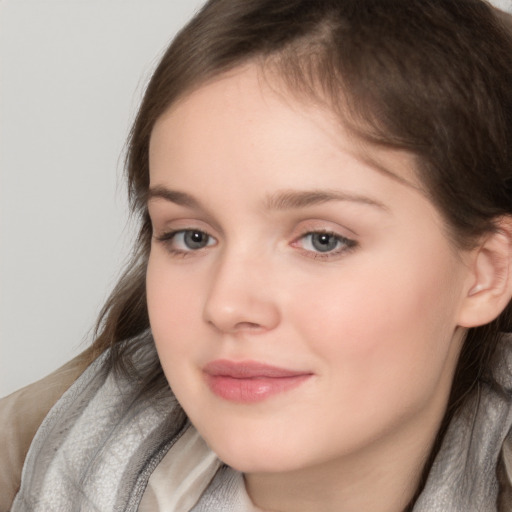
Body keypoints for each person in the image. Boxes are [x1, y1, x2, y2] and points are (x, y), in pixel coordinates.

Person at [2, 0, 512, 510]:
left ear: (485, 274)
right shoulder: (42, 460)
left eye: (322, 239)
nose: (226, 305)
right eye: (191, 237)